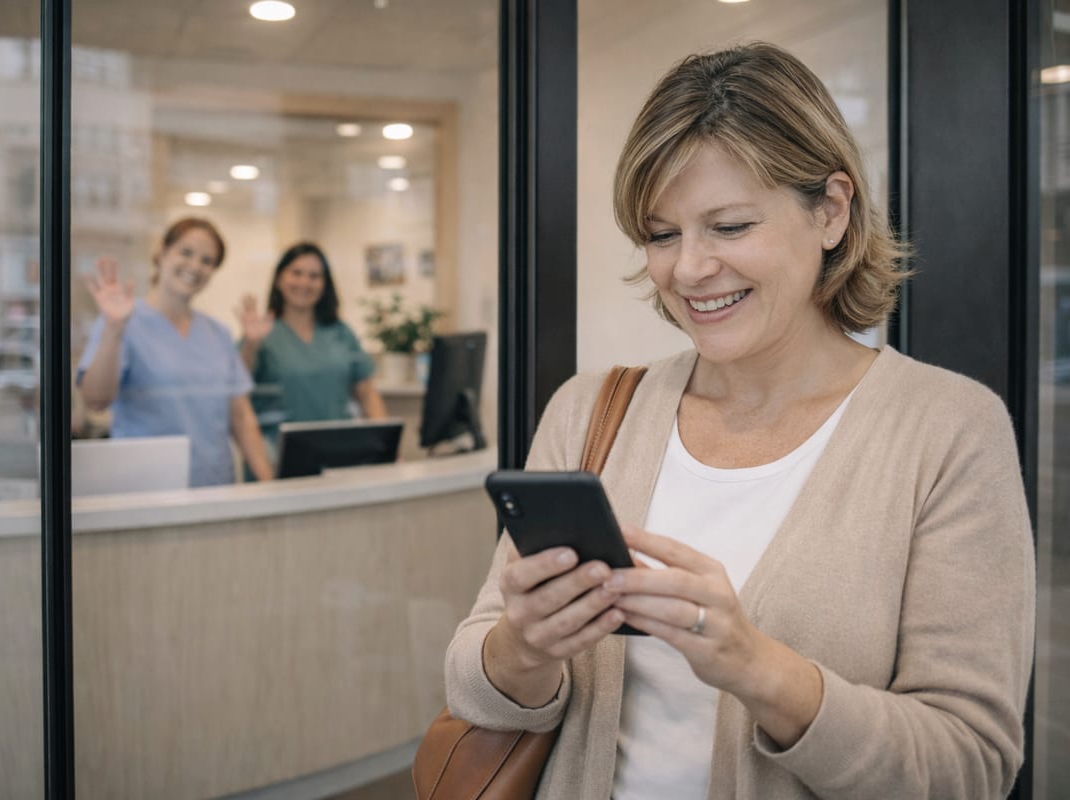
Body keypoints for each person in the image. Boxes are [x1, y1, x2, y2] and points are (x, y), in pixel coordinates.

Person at [444, 42, 1034, 799]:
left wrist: (757, 667)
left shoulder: (948, 431)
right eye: (662, 234)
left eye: (728, 227)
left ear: (831, 211)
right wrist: (523, 647)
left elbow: (970, 766)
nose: (689, 269)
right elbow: (474, 684)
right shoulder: (589, 412)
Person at [77, 217, 272, 487]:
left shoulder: (218, 333)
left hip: (215, 484)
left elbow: (240, 415)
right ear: (162, 253)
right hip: (148, 487)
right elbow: (95, 400)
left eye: (207, 261)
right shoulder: (123, 321)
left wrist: (269, 483)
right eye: (186, 252)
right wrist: (113, 327)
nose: (195, 266)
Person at [235, 242, 387, 463]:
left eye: (314, 276)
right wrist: (251, 344)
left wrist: (385, 445)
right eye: (296, 273)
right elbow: (237, 387)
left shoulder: (340, 332)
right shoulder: (261, 334)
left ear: (325, 284)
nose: (304, 282)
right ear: (279, 279)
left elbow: (367, 391)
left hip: (340, 454)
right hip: (277, 459)